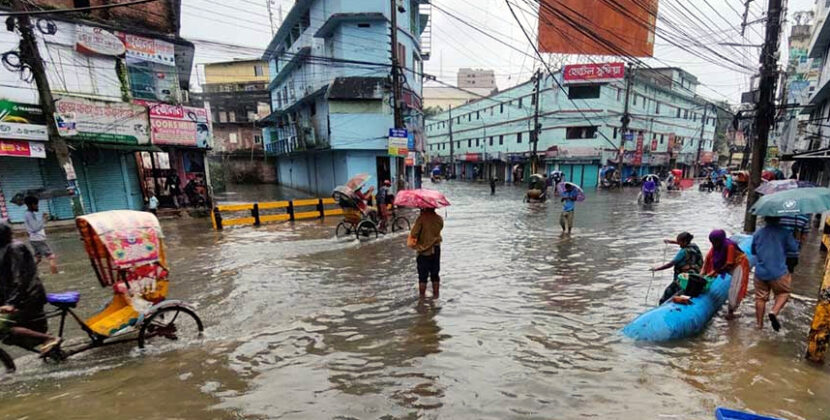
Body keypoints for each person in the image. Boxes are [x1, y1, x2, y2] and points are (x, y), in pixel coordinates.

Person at [0, 221, 61, 354]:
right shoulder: (3, 249)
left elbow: (20, 277)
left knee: (3, 327)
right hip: (16, 297)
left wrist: (11, 303)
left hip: (28, 296)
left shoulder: (14, 248)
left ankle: (49, 338)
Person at [751, 217, 800, 331]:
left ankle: (759, 325)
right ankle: (774, 311)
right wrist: (796, 239)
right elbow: (793, 250)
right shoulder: (785, 233)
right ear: (779, 219)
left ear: (765, 219)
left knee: (760, 298)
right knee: (783, 293)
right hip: (778, 271)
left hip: (760, 272)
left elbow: (753, 250)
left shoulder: (758, 233)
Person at [702, 229, 751, 319]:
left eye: (715, 242)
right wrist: (702, 273)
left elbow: (729, 263)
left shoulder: (729, 246)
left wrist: (715, 272)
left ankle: (731, 311)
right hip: (727, 265)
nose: (714, 244)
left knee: (735, 289)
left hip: (738, 264)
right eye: (712, 242)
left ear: (720, 240)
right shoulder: (716, 246)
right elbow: (708, 259)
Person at [651, 232, 703, 304]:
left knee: (667, 294)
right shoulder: (694, 246)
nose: (679, 244)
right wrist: (671, 242)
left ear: (684, 241)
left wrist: (657, 269)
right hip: (695, 276)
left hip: (683, 279)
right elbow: (683, 243)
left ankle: (663, 305)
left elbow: (671, 264)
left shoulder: (683, 252)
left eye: (679, 242)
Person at [409, 207, 443, 299]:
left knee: (423, 276)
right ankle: (436, 296)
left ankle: (422, 299)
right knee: (435, 274)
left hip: (424, 250)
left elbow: (414, 234)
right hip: (436, 249)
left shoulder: (421, 219)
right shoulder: (439, 218)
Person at [23, 196, 57, 274]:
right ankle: (55, 275)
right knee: (51, 257)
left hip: (34, 239)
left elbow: (35, 226)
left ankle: (26, 272)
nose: (37, 206)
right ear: (31, 205)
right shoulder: (29, 214)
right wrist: (44, 220)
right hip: (38, 239)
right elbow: (35, 228)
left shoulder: (29, 214)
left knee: (37, 258)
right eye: (36, 204)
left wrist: (43, 219)